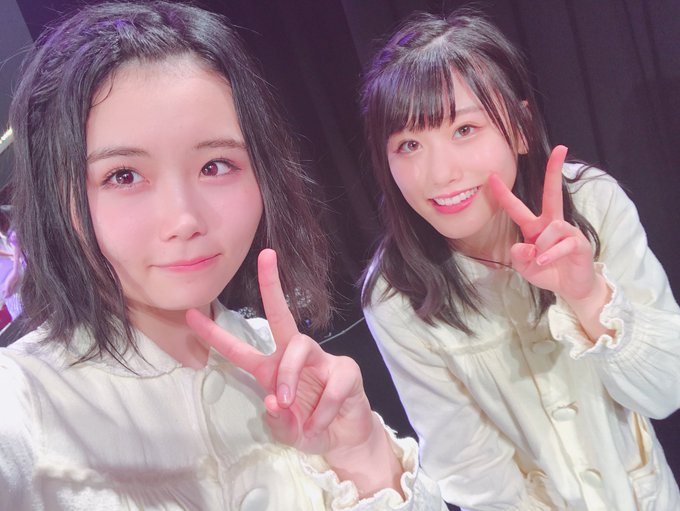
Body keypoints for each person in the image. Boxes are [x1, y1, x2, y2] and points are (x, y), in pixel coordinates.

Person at [0, 2, 446, 510]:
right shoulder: (23, 404)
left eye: (215, 165)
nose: (185, 218)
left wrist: (362, 456)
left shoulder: (285, 365)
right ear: (57, 199)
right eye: (123, 176)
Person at [360, 9, 680, 511]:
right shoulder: (396, 294)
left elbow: (666, 390)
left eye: (465, 129)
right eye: (409, 144)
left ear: (521, 128)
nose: (439, 173)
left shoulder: (592, 203)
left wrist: (587, 296)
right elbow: (474, 476)